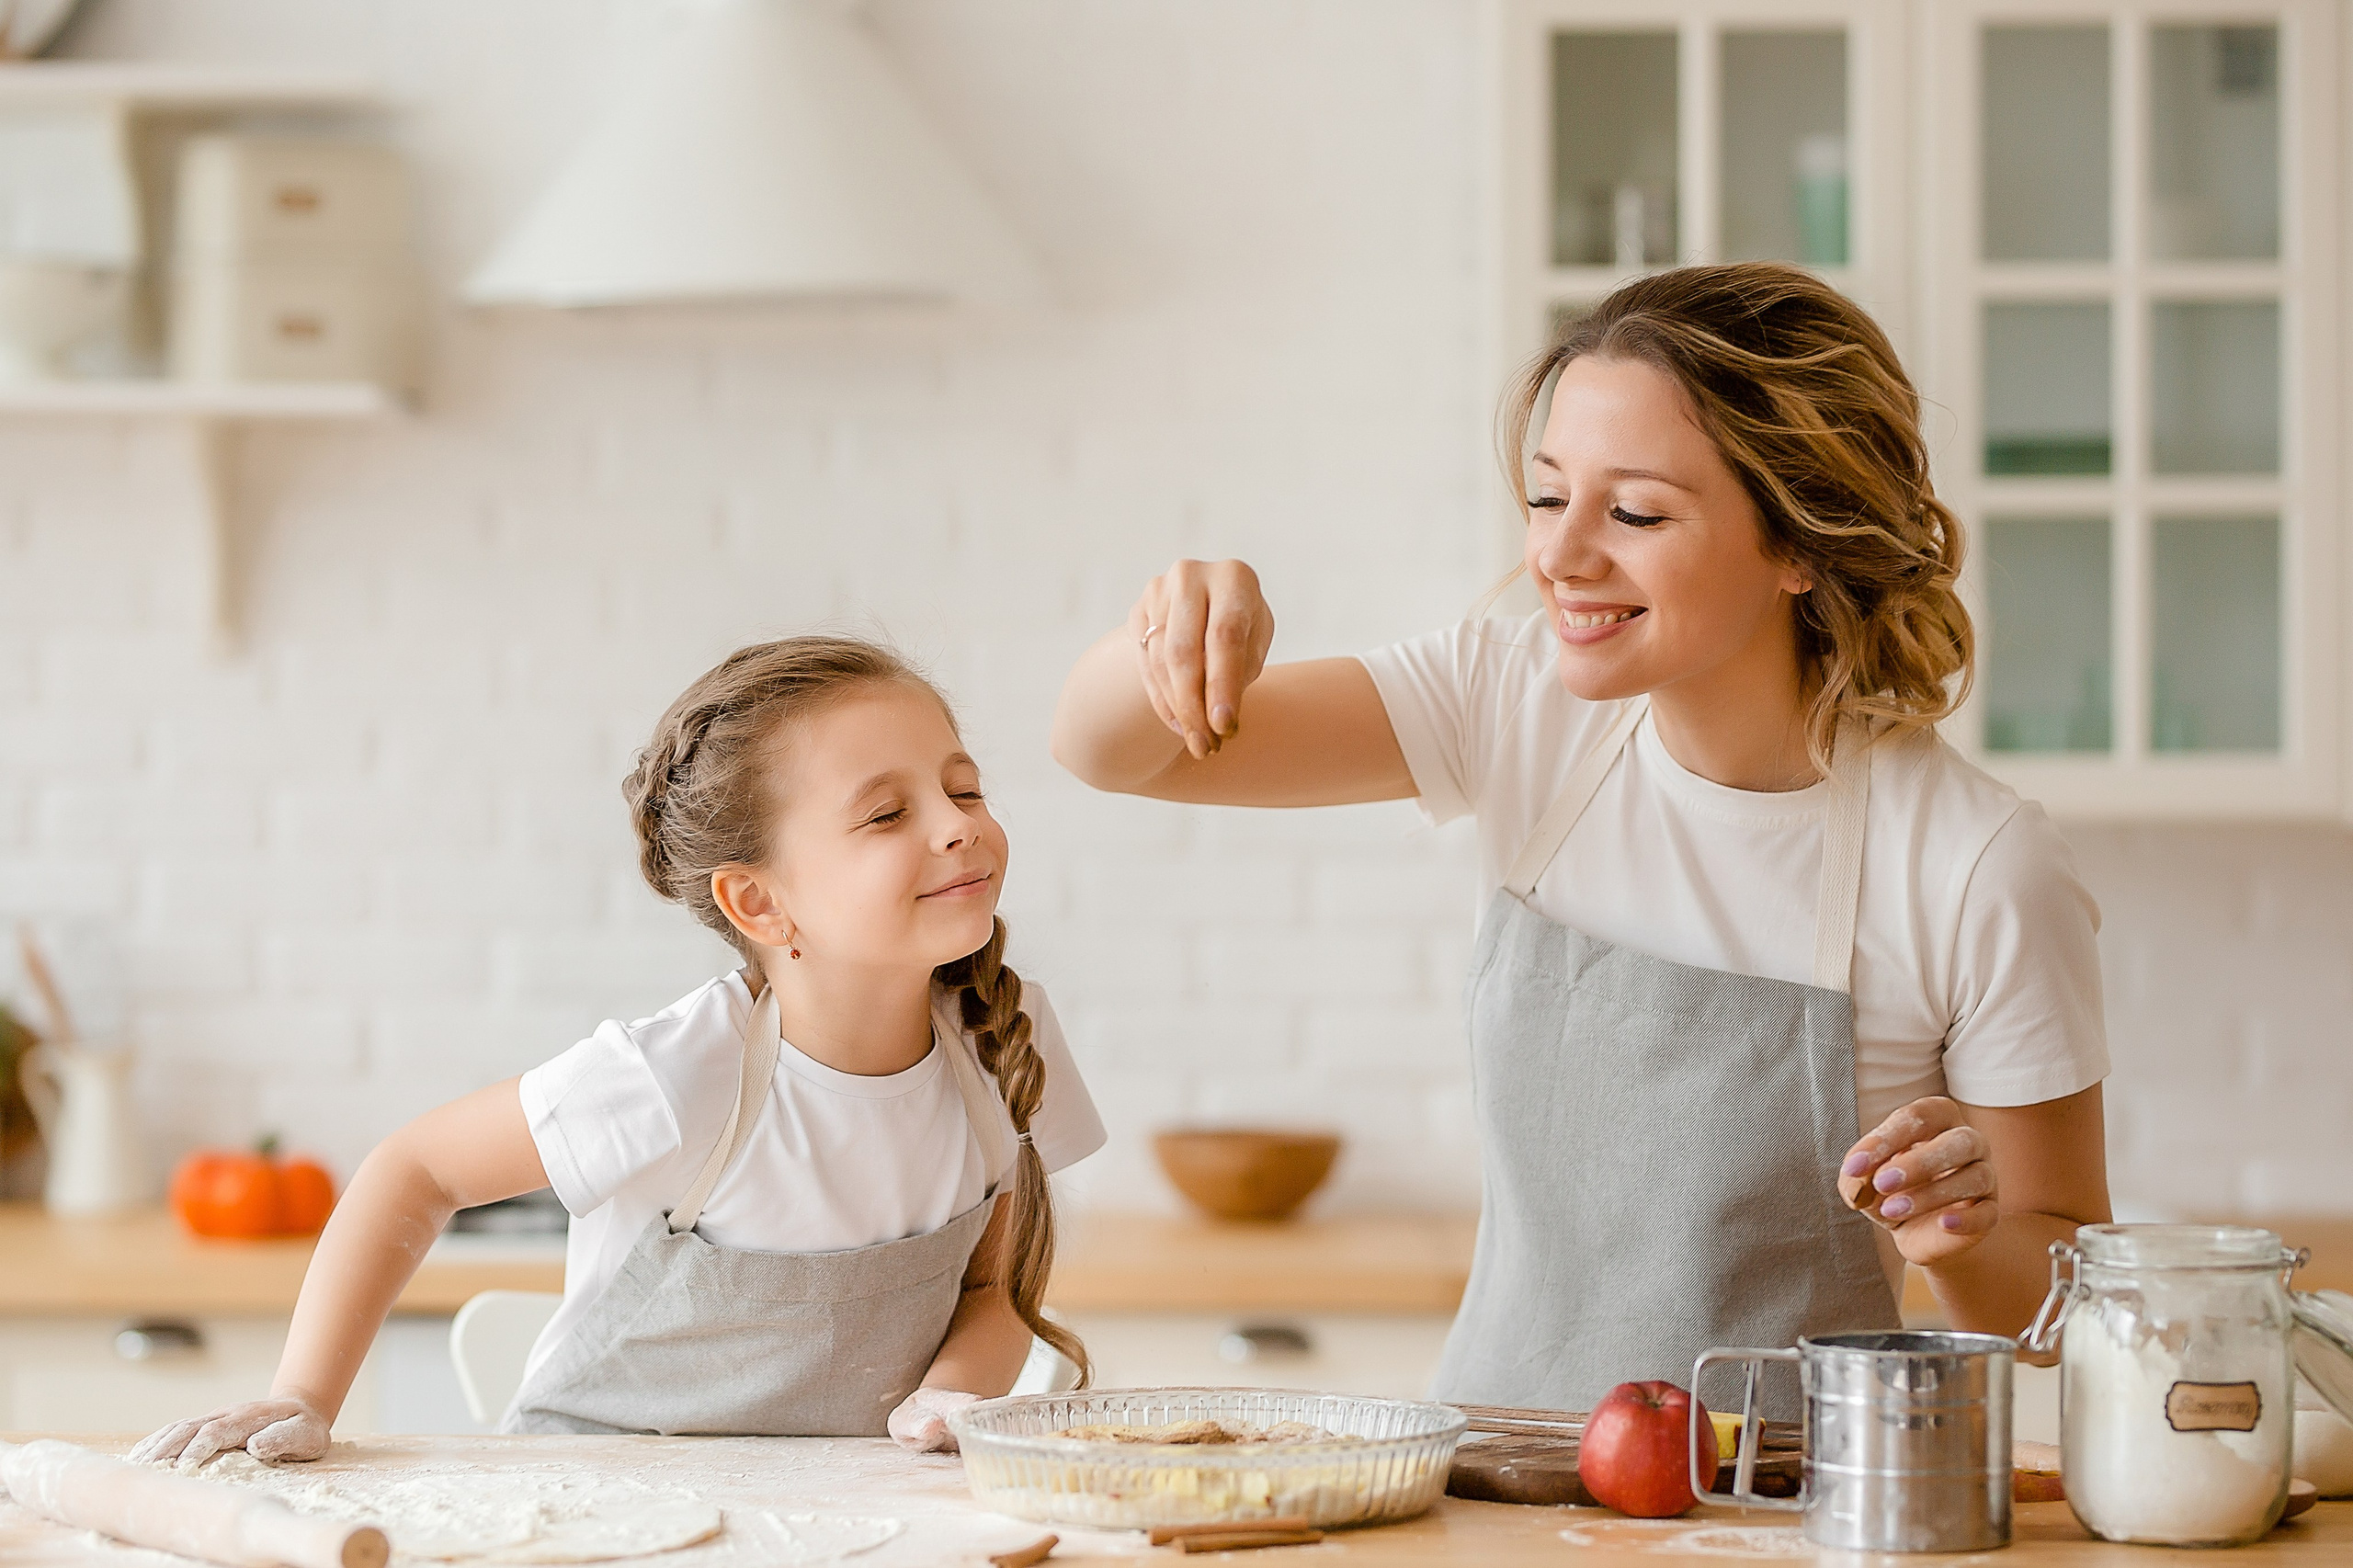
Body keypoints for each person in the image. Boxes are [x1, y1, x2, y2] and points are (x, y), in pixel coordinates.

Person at [1052, 263, 2111, 1415]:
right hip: (1491, 1485)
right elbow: (1111, 752)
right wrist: (1169, 626)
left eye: (1636, 512)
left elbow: (2068, 1304)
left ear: (1800, 543)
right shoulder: (1507, 703)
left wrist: (1956, 1240)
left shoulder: (1973, 863)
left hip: (1782, 1513)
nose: (1560, 556)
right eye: (1549, 495)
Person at [137, 636, 1102, 1466]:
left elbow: (994, 1290)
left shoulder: (1004, 1042)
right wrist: (304, 1396)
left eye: (962, 786)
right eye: (888, 813)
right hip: (592, 1512)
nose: (959, 823)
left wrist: (951, 1394)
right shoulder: (681, 1073)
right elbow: (415, 1168)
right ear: (758, 901)